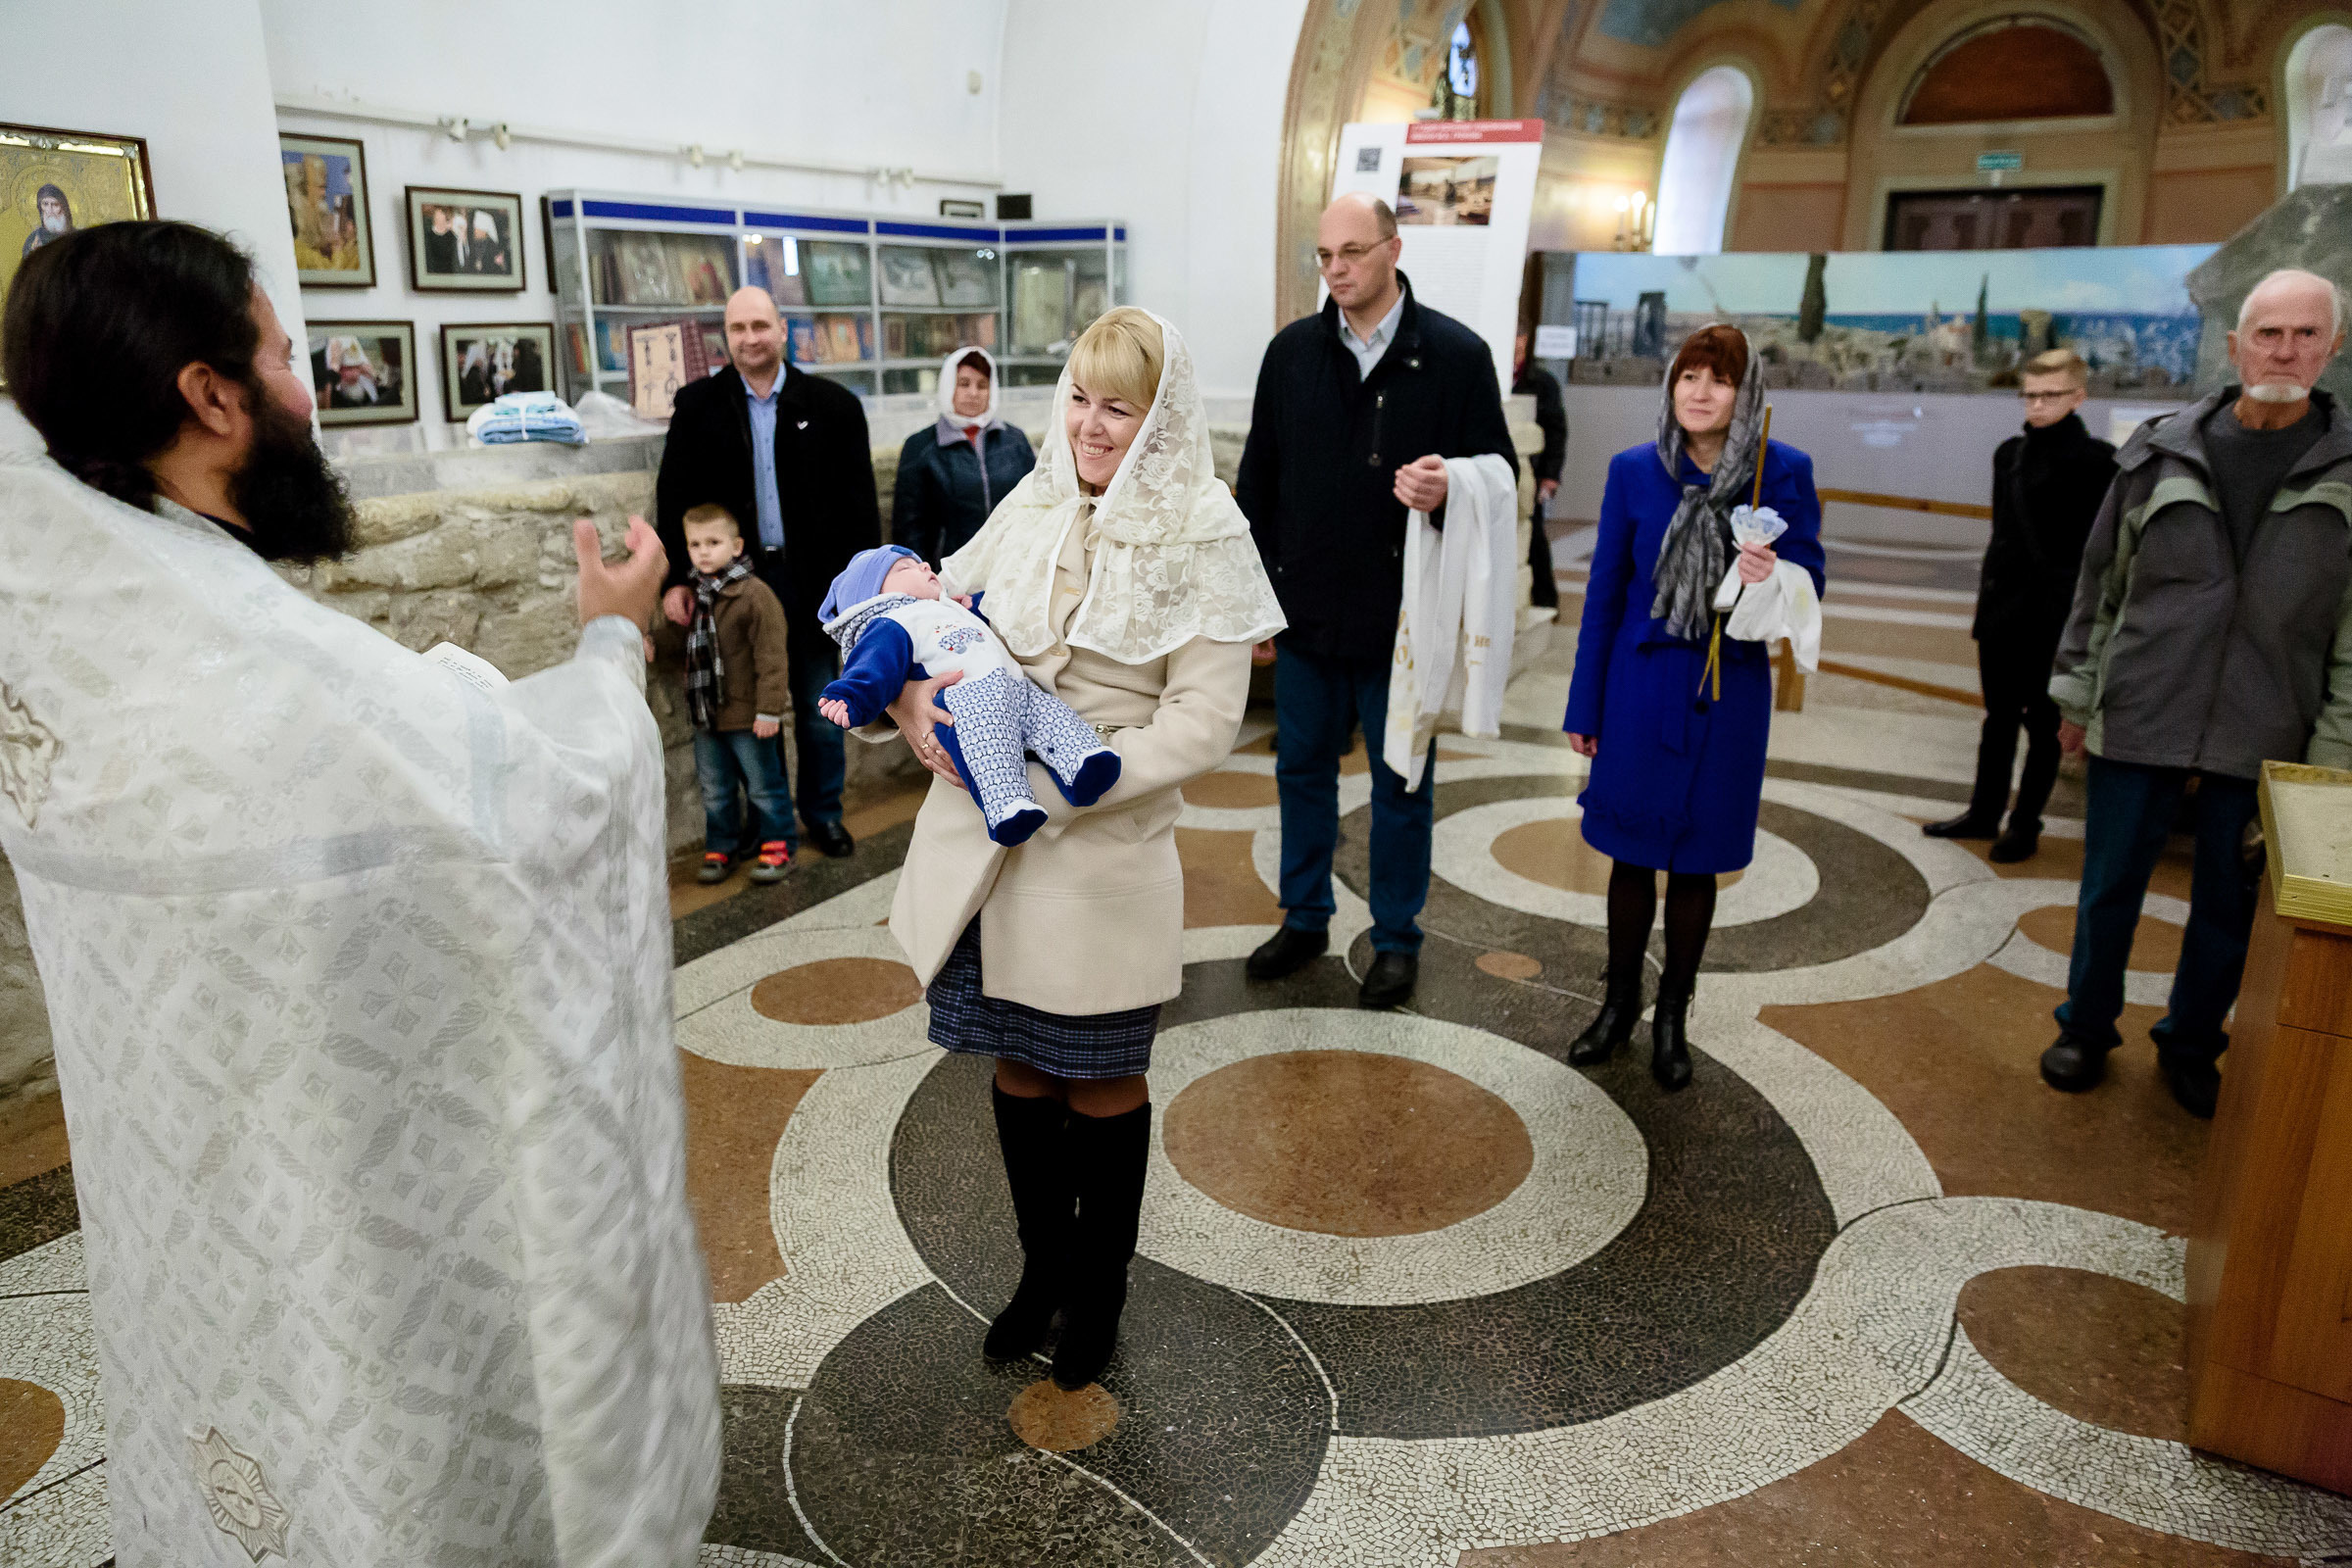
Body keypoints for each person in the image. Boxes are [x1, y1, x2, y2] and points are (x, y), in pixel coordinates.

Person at [0, 220, 717, 1563]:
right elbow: (548, 806)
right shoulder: (269, 672)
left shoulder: (64, 626)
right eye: (281, 353)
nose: (302, 385)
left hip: (194, 1221)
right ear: (211, 398)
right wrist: (614, 634)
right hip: (350, 1226)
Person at [875, 308, 1282, 1393]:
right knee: (1015, 1065)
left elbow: (1201, 721)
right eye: (1082, 398)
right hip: (988, 845)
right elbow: (934, 615)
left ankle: (1099, 1287)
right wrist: (917, 708)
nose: (1094, 425)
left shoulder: (1206, 525)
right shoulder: (1039, 491)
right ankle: (1043, 1268)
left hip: (1100, 843)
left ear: (1162, 415)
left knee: (1099, 1080)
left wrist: (1056, 781)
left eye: (1121, 405)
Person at [2041, 268, 2352, 1117]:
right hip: (2143, 707)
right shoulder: (2158, 449)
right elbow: (2099, 583)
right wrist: (2077, 697)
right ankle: (2086, 1027)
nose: (2285, 351)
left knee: (2229, 903)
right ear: (2234, 344)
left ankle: (2190, 1043)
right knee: (2109, 889)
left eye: (2305, 335)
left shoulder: (2350, 473)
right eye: (2268, 333)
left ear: (2334, 347)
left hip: (2267, 725)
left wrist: (2330, 761)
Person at [1234, 192, 1517, 1007]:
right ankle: (1304, 915)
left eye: (1352, 253)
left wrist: (1448, 484)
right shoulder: (1290, 355)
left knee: (1402, 779)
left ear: (1395, 249)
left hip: (1404, 618)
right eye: (1324, 257)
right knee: (1301, 772)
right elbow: (1260, 486)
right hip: (1307, 611)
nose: (1337, 270)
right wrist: (1256, 603)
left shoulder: (1457, 357)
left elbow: (1501, 472)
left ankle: (1396, 936)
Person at [1561, 324, 1825, 1090]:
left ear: (1746, 396)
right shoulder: (1635, 470)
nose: (1698, 393)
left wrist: (1772, 573)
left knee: (1699, 861)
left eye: (1717, 381)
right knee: (1631, 852)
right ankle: (1617, 1007)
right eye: (1686, 378)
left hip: (1729, 688)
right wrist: (1587, 704)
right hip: (1640, 685)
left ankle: (1674, 1015)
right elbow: (1605, 592)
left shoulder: (1782, 471)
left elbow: (1812, 573)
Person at [657, 285, 879, 860]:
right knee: (750, 714)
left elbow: (859, 509)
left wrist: (865, 592)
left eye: (760, 325)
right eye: (738, 328)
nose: (750, 338)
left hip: (812, 585)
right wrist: (676, 581)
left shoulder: (834, 407)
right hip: (731, 592)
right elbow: (673, 499)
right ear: (725, 337)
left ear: (783, 330)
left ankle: (823, 816)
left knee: (818, 707)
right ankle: (767, 825)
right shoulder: (697, 406)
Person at [1925, 349, 2116, 862]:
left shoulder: (2099, 462)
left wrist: (2079, 621)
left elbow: (2097, 552)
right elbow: (2002, 532)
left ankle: (2025, 823)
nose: (2036, 404)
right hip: (2003, 611)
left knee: (2044, 725)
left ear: (2078, 397)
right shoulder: (2008, 453)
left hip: (2056, 617)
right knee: (1998, 717)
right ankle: (1984, 811)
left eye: (2049, 395)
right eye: (2029, 394)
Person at [816, 545, 1120, 845]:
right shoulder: (894, 623)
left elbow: (996, 603)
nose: (924, 567)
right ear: (876, 596)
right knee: (990, 748)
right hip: (969, 699)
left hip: (1016, 685)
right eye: (905, 568)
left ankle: (1083, 763)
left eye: (922, 563)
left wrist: (972, 604)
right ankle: (1008, 805)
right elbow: (872, 667)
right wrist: (849, 697)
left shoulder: (949, 608)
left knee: (1054, 717)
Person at [680, 503, 796, 886]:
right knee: (715, 789)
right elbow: (683, 648)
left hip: (748, 715)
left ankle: (778, 845)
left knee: (764, 786)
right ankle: (722, 846)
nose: (704, 551)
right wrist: (654, 639)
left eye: (713, 542)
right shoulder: (695, 595)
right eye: (695, 544)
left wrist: (768, 710)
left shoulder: (754, 595)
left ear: (737, 544)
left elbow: (772, 657)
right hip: (706, 714)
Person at [893, 346, 1038, 566]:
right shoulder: (920, 447)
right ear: (948, 386)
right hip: (951, 572)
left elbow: (1035, 504)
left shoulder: (1015, 440)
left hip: (1011, 567)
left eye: (982, 385)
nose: (973, 393)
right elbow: (909, 527)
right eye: (964, 384)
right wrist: (924, 576)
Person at [1514, 328, 1567, 612]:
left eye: (1517, 335)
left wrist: (1550, 475)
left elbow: (1555, 431)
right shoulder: (1491, 372)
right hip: (1501, 468)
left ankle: (1546, 599)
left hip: (1531, 472)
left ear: (1524, 339)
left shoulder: (1542, 382)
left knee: (1533, 535)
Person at [21, 184, 73, 257]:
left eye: (55, 204)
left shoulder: (76, 236)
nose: (49, 210)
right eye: (45, 204)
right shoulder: (33, 238)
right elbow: (27, 265)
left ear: (64, 207)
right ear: (40, 207)